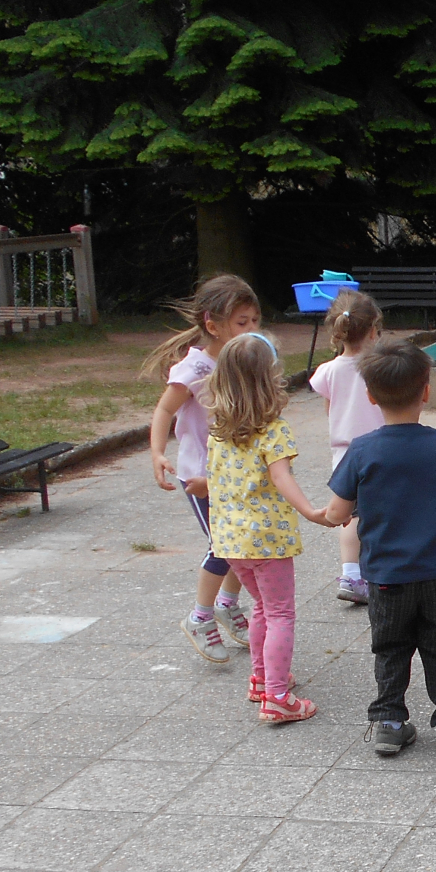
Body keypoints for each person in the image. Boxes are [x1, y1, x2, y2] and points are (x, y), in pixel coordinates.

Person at [324, 341, 436, 754]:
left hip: (386, 575)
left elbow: (337, 511)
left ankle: (390, 721)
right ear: (426, 391)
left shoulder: (362, 449)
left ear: (370, 396)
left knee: (391, 648)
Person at [202, 332, 333, 723]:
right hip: (267, 540)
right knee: (280, 614)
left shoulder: (218, 432)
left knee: (262, 607)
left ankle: (261, 679)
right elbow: (281, 477)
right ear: (269, 379)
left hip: (229, 541)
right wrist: (310, 511)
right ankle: (276, 697)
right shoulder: (273, 430)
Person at [145, 275, 263, 664]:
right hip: (201, 475)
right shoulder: (195, 367)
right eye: (242, 322)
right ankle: (199, 617)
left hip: (234, 472)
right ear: (213, 326)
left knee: (240, 543)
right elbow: (164, 409)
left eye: (254, 321)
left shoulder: (242, 360)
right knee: (223, 545)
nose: (251, 329)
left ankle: (227, 604)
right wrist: (158, 453)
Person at [308, 292, 387, 604]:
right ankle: (376, 571)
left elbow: (330, 409)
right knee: (380, 511)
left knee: (351, 516)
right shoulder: (378, 367)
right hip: (380, 448)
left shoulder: (328, 370)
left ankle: (351, 574)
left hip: (344, 453)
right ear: (373, 331)